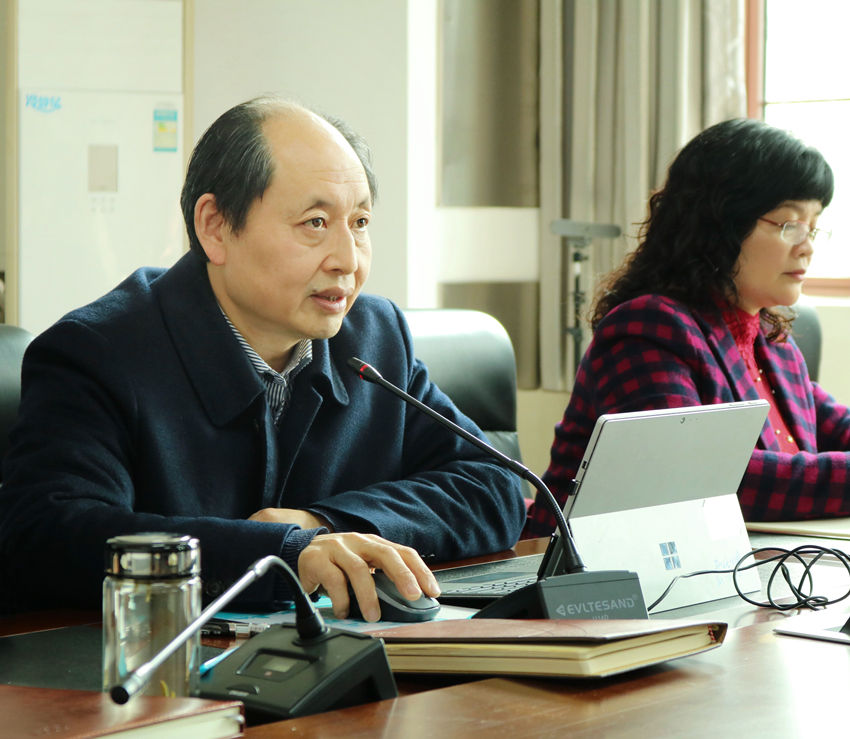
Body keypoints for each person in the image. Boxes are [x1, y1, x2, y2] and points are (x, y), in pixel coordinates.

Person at [0, 97, 526, 618]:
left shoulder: (375, 338)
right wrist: (281, 553)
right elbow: (50, 535)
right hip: (156, 664)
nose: (348, 260)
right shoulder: (97, 353)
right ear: (215, 226)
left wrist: (324, 525)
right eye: (315, 223)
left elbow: (494, 484)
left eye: (360, 222)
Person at [525, 117, 849, 539]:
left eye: (813, 227)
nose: (807, 247)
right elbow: (703, 478)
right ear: (721, 223)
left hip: (746, 561)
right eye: (790, 225)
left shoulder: (771, 341)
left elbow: (836, 425)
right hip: (593, 570)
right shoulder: (648, 329)